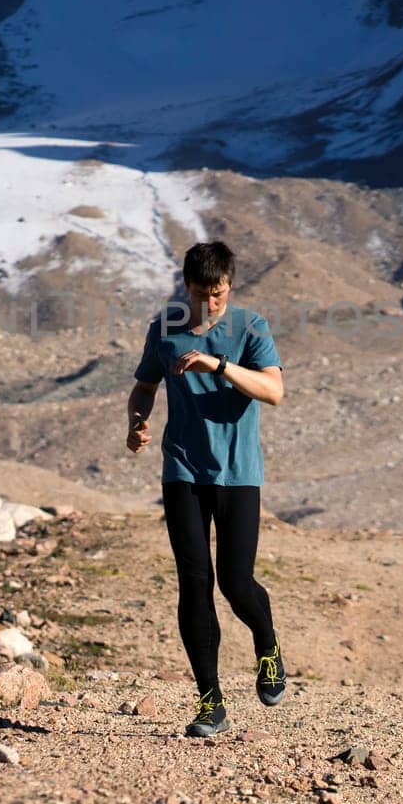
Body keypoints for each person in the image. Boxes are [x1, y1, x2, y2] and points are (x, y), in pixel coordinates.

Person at [125, 240, 287, 737]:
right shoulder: (166, 327)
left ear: (229, 287)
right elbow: (145, 385)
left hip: (239, 473)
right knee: (194, 581)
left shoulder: (251, 327)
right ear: (186, 286)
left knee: (235, 582)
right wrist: (137, 421)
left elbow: (274, 391)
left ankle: (267, 644)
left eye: (218, 293)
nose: (210, 303)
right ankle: (209, 699)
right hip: (183, 471)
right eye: (201, 293)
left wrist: (218, 365)